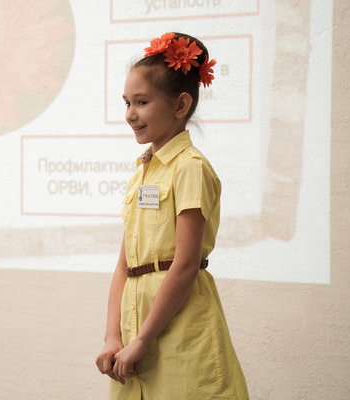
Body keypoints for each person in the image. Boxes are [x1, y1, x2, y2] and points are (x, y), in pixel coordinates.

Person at [95, 32, 249, 399]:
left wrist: (143, 340)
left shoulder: (190, 167)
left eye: (142, 102)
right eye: (127, 103)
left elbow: (185, 264)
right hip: (135, 327)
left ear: (181, 105)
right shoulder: (142, 172)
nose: (130, 114)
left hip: (178, 328)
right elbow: (124, 265)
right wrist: (113, 336)